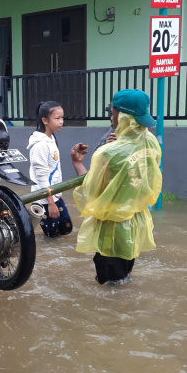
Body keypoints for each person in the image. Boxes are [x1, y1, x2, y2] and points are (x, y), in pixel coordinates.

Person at [70, 89, 162, 286]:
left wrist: (78, 163)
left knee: (109, 288)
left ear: (123, 117)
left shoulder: (108, 152)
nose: (111, 118)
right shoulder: (152, 143)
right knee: (125, 279)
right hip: (136, 226)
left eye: (112, 113)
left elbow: (91, 193)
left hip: (112, 231)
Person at [27, 101, 72, 237]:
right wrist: (50, 203)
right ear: (45, 120)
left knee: (66, 228)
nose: (61, 122)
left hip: (55, 194)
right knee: (51, 235)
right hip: (45, 199)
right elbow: (42, 177)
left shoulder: (51, 138)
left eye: (62, 118)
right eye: (57, 118)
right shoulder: (40, 145)